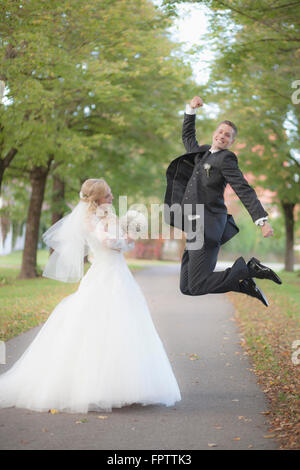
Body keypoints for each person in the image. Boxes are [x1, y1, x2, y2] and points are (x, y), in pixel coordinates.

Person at [0, 179, 181, 413]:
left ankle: (124, 385)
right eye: (107, 195)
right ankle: (96, 387)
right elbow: (106, 242)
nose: (112, 197)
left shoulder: (104, 215)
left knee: (124, 327)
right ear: (96, 200)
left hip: (116, 272)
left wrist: (125, 232)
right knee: (101, 325)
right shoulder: (91, 220)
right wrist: (127, 240)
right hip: (107, 275)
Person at [164, 96, 282, 307]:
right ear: (214, 133)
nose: (222, 136)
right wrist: (191, 109)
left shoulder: (226, 159)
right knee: (187, 287)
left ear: (231, 141)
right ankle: (242, 283)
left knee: (198, 284)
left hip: (208, 227)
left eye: (227, 135)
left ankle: (249, 270)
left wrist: (262, 221)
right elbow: (188, 135)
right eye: (220, 132)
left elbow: (243, 189)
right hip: (193, 228)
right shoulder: (200, 153)